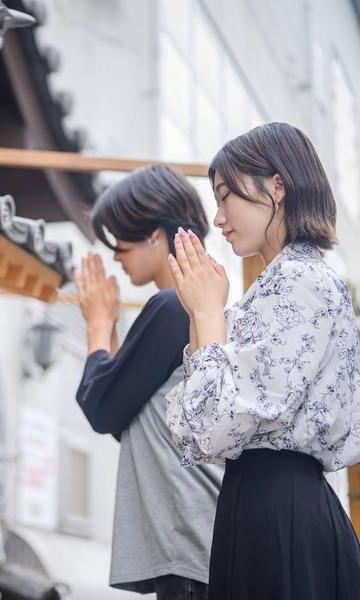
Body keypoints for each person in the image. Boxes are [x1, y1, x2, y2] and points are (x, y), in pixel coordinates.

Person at [166, 122, 360, 599]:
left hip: (281, 512)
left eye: (227, 194)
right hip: (265, 506)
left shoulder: (301, 282)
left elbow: (212, 425)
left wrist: (209, 314)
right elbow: (194, 431)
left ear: (278, 185)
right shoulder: (278, 285)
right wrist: (202, 315)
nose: (218, 217)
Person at [75, 165, 222, 600]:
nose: (116, 257)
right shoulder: (190, 305)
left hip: (189, 539)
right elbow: (135, 417)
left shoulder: (173, 305)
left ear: (155, 233)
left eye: (119, 240)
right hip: (194, 537)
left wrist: (98, 325)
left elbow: (102, 410)